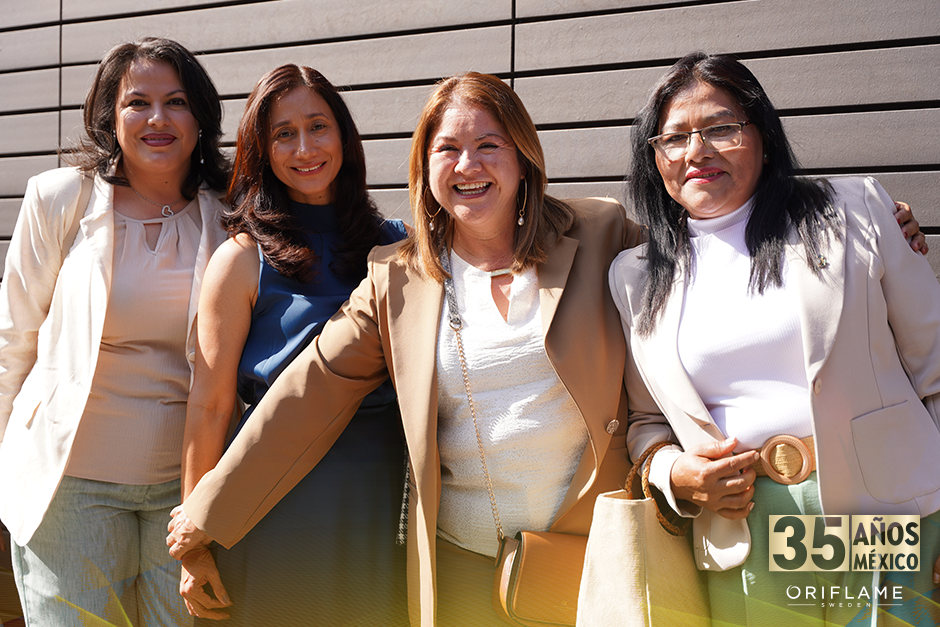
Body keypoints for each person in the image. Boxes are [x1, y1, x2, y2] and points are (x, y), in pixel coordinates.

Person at [167, 71, 646, 626]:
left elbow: (685, 309)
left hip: (591, 556)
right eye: (448, 149)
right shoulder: (398, 275)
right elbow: (308, 392)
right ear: (424, 167)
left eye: (489, 145)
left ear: (523, 156)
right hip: (461, 565)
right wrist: (205, 514)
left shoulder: (602, 232)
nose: (468, 165)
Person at [609, 51, 940, 626]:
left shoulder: (854, 209)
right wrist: (673, 475)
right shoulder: (634, 276)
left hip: (881, 509)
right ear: (654, 157)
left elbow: (934, 364)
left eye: (721, 128)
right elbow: (646, 422)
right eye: (675, 138)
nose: (697, 151)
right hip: (746, 527)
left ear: (763, 137)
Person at [0, 37, 230, 626]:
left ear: (200, 117)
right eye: (137, 103)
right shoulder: (60, 198)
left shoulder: (230, 213)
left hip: (184, 492)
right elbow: (13, 341)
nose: (158, 119)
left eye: (176, 102)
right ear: (109, 115)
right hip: (68, 485)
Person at [178, 64, 409, 625]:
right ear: (261, 149)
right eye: (283, 134)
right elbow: (209, 406)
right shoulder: (240, 259)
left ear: (343, 135)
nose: (304, 148)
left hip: (378, 511)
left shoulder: (398, 248)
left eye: (317, 126)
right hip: (272, 512)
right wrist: (194, 542)